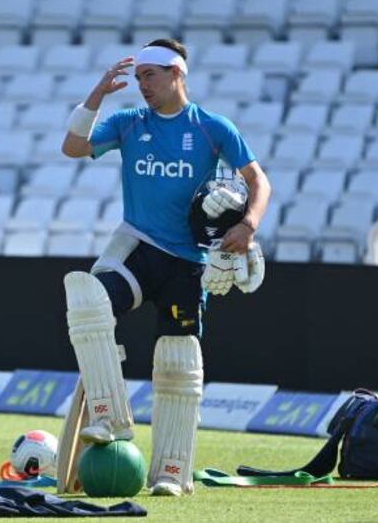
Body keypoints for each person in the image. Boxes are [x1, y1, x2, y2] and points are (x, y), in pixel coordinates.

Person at [60, 39, 271, 496]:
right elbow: (73, 146)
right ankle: (107, 415)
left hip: (188, 260)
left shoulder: (213, 128)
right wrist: (97, 94)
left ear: (176, 73)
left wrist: (249, 224)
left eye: (149, 76)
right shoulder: (129, 122)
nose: (142, 87)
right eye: (137, 79)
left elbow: (259, 180)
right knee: (89, 300)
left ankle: (171, 470)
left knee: (178, 359)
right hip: (137, 244)